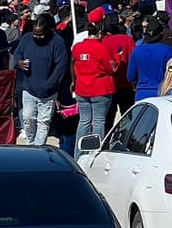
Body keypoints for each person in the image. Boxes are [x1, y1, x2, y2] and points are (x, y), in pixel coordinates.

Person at [12, 15, 69, 147]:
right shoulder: (26, 38)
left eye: (41, 35)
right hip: (29, 87)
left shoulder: (57, 42)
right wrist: (18, 63)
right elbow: (17, 55)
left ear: (48, 30)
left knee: (43, 121)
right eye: (35, 34)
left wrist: (50, 84)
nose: (37, 37)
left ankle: (38, 147)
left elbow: (61, 66)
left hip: (48, 90)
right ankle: (30, 143)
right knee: (28, 117)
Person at [72, 9, 117, 142]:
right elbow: (111, 69)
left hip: (82, 88)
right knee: (99, 122)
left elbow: (74, 63)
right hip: (100, 89)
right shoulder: (101, 48)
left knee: (84, 121)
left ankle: (79, 152)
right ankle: (95, 151)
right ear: (99, 33)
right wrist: (117, 59)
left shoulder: (77, 47)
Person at [127, 17, 172, 101]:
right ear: (161, 34)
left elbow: (131, 77)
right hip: (163, 93)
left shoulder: (137, 50)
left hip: (142, 94)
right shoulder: (168, 50)